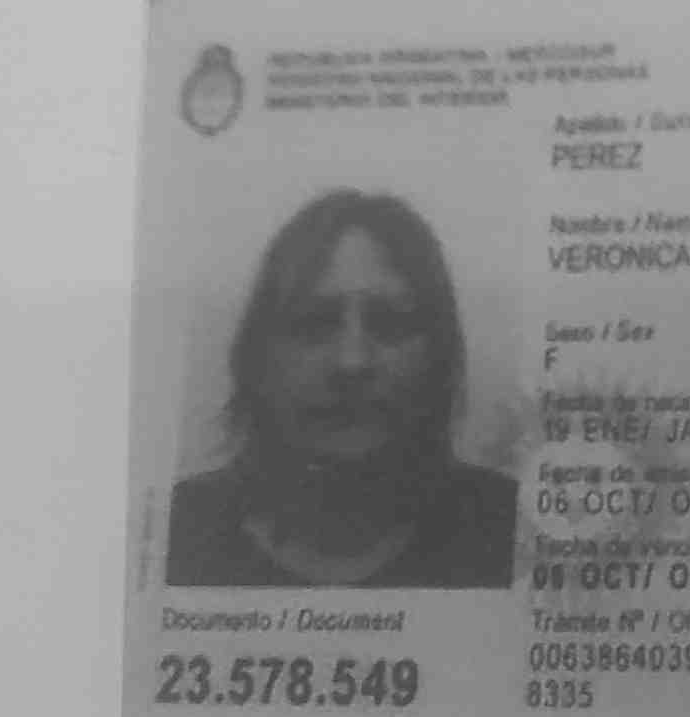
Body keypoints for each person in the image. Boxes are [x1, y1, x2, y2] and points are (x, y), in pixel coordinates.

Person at [165, 189, 516, 587]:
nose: (353, 361)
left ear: (439, 355)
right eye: (314, 323)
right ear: (259, 356)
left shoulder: (511, 531)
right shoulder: (178, 533)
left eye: (390, 323)